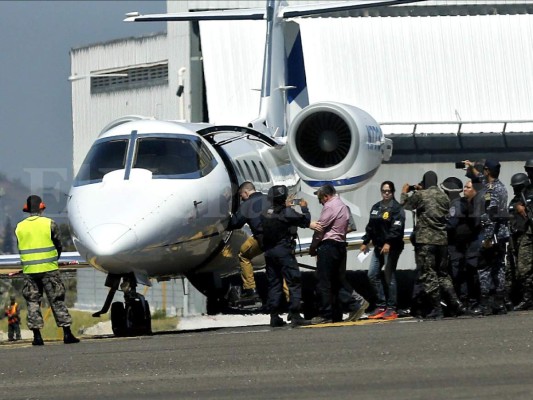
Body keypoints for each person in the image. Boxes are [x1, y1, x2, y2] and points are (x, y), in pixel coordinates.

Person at [15, 195, 79, 345]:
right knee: (57, 300)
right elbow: (58, 245)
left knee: (32, 302)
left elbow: (20, 246)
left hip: (30, 270)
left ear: (27, 210)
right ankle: (67, 334)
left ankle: (37, 337)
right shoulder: (49, 223)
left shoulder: (19, 227)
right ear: (41, 208)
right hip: (49, 269)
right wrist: (53, 260)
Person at [401, 171, 464, 319]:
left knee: (428, 274)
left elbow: (406, 204)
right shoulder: (443, 196)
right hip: (442, 241)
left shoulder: (421, 195)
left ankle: (437, 308)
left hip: (426, 241)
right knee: (443, 274)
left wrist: (405, 192)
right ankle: (455, 302)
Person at [309, 184, 369, 324]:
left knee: (324, 281)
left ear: (326, 196)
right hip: (340, 245)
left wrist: (313, 246)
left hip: (329, 246)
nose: (320, 202)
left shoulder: (330, 207)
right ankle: (353, 305)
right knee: (337, 280)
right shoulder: (343, 206)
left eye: (320, 199)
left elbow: (320, 229)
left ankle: (326, 314)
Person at [260, 185, 311, 327]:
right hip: (283, 251)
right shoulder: (288, 212)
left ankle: (274, 316)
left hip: (269, 252)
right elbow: (305, 221)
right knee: (293, 281)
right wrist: (304, 208)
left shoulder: (265, 212)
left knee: (274, 283)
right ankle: (295, 314)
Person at [360, 181, 405, 320]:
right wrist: (365, 241)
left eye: (389, 191)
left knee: (388, 276)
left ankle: (392, 308)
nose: (386, 193)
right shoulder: (376, 207)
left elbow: (397, 228)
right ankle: (381, 305)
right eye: (384, 191)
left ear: (393, 192)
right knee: (372, 274)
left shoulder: (397, 209)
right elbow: (370, 226)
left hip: (391, 248)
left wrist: (388, 242)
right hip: (378, 247)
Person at [476, 160, 510, 315]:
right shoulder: (501, 187)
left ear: (488, 171)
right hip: (502, 234)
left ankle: (487, 304)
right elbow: (483, 179)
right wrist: (471, 168)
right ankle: (500, 302)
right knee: (499, 268)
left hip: (493, 234)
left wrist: (488, 238)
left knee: (484, 268)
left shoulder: (492, 190)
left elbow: (492, 214)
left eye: (484, 170)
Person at [227, 182, 270, 305]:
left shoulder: (247, 205)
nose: (241, 198)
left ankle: (251, 289)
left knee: (243, 255)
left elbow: (235, 224)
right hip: (279, 238)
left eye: (241, 195)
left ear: (246, 192)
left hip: (261, 239)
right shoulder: (269, 199)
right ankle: (292, 300)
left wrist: (229, 217)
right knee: (280, 266)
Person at [508, 170, 533, 311]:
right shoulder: (515, 201)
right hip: (517, 237)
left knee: (524, 270)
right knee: (519, 271)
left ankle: (528, 299)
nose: (515, 189)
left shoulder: (528, 198)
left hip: (527, 236)